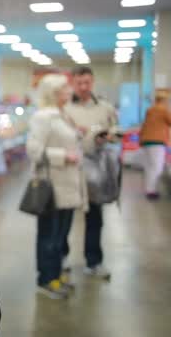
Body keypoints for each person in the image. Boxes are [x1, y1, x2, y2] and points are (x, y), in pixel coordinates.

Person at [26, 74, 88, 299]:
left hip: (69, 186)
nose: (69, 92)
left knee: (61, 237)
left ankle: (56, 274)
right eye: (64, 89)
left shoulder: (63, 115)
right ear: (53, 93)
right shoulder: (44, 117)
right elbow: (33, 150)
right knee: (49, 237)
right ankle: (46, 279)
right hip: (52, 187)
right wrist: (64, 156)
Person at [64, 66, 118, 280]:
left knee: (95, 217)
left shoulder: (105, 107)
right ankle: (62, 258)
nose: (84, 87)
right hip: (71, 170)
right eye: (79, 83)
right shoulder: (64, 108)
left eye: (88, 82)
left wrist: (107, 136)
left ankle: (94, 261)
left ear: (93, 82)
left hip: (97, 169)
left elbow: (115, 130)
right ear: (73, 83)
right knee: (65, 217)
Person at [139, 89, 171, 200]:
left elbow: (145, 125)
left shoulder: (150, 110)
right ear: (164, 100)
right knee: (157, 167)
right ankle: (151, 191)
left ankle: (149, 189)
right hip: (157, 142)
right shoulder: (163, 110)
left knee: (149, 167)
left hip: (146, 141)